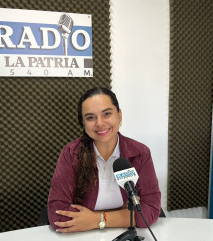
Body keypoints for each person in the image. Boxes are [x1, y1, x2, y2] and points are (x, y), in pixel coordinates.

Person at [47, 87, 161, 233]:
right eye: (90, 117)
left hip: (124, 233)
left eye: (107, 114)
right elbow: (59, 218)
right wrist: (123, 214)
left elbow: (150, 211)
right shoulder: (71, 154)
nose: (100, 123)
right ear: (83, 123)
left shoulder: (140, 153)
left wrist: (95, 219)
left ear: (119, 115)